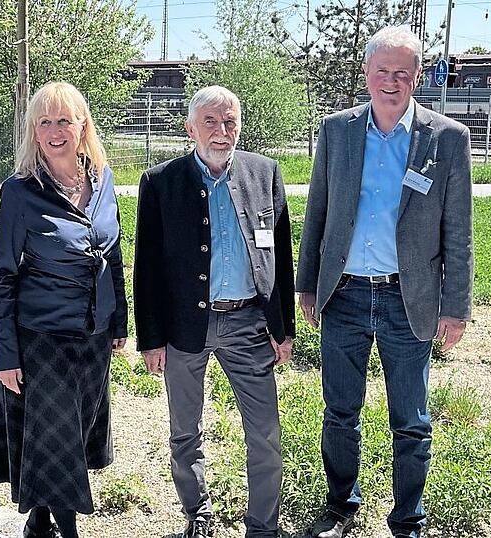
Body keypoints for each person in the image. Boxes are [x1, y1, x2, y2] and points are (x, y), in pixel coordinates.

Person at [296, 26, 474, 538]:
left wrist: (454, 306)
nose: (391, 82)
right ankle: (340, 507)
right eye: (382, 72)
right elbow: (319, 212)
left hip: (408, 298)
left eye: (403, 73)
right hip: (344, 294)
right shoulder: (338, 130)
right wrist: (308, 284)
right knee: (339, 412)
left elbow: (458, 232)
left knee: (412, 422)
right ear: (367, 73)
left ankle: (407, 519)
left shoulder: (447, 138)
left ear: (418, 76)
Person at [133, 85, 296, 538]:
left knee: (264, 432)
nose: (222, 131)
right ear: (190, 128)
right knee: (186, 430)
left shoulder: (265, 173)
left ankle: (263, 525)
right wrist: (151, 338)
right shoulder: (161, 181)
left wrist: (282, 328)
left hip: (248, 323)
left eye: (230, 121)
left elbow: (280, 258)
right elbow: (146, 266)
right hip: (186, 326)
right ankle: (197, 513)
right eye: (211, 121)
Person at [0, 81, 128, 538]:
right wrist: (6, 354)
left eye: (63, 120)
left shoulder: (102, 181)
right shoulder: (20, 192)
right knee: (57, 439)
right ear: (33, 131)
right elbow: (2, 278)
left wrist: (118, 321)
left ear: (82, 125)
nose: (54, 130)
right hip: (42, 338)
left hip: (93, 337)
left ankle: (38, 519)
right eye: (43, 122)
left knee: (68, 437)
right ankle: (66, 528)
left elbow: (115, 256)